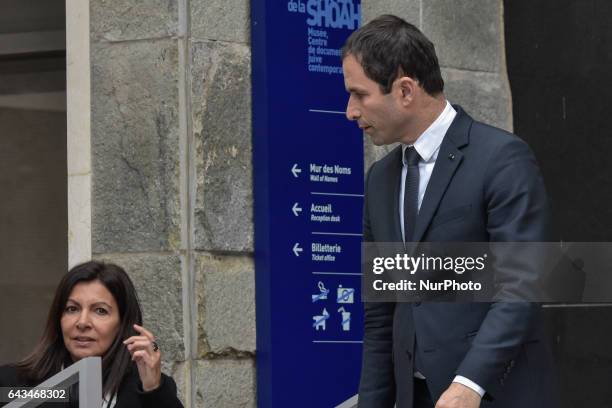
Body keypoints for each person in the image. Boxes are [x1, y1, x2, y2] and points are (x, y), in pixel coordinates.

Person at [342, 15, 558, 408]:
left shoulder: (502, 159)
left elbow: (521, 284)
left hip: (491, 395)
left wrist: (469, 384)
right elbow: (380, 314)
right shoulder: (379, 180)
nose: (350, 111)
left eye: (360, 95)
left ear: (405, 90)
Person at [0, 261, 184, 407]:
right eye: (72, 309)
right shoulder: (12, 385)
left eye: (100, 311)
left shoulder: (145, 390)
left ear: (123, 323)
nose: (82, 322)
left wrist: (153, 390)